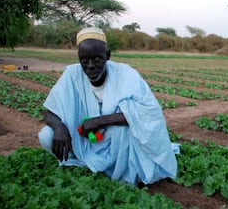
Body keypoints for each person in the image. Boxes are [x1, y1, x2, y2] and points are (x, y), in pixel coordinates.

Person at [38, 27, 179, 185]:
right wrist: (59, 128)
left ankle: (121, 172)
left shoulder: (125, 74)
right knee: (46, 135)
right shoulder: (72, 74)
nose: (90, 66)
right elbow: (50, 112)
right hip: (84, 139)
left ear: (107, 56)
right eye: (84, 60)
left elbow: (148, 111)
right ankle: (83, 161)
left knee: (122, 125)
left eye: (96, 59)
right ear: (79, 58)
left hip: (114, 140)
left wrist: (99, 121)